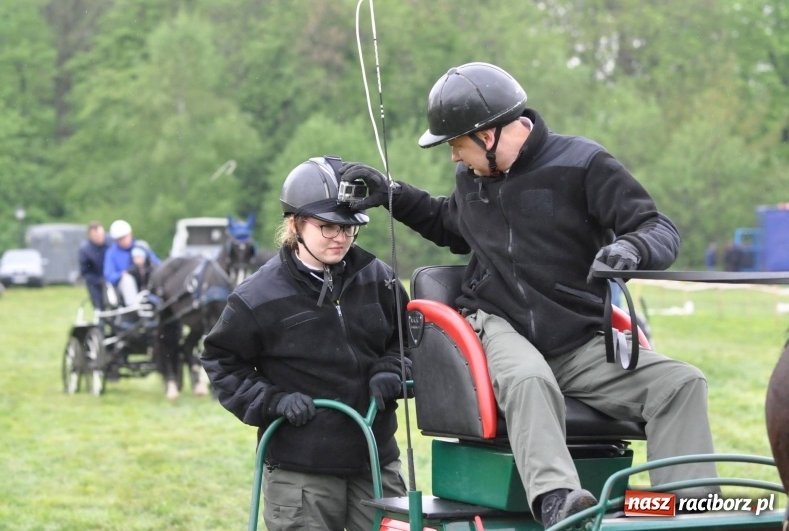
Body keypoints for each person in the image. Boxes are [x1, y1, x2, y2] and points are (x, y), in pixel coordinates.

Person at [340, 62, 719, 528]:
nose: (454, 158)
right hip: (499, 324)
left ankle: (689, 510)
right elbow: (449, 225)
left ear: (488, 135)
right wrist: (393, 194)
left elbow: (656, 226)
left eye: (457, 144)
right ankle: (559, 501)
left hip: (578, 339)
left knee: (681, 383)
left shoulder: (583, 164)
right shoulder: (472, 181)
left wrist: (632, 248)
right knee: (528, 380)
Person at [201, 156, 411, 531]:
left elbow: (410, 342)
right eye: (327, 226)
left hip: (376, 460)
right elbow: (222, 362)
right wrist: (273, 401)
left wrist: (393, 370)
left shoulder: (380, 278)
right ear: (295, 224)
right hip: (300, 471)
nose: (340, 237)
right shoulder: (257, 296)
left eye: (349, 227)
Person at [103, 219, 161, 307]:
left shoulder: (141, 246)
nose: (123, 241)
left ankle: (161, 301)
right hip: (125, 286)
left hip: (145, 280)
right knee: (127, 279)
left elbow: (157, 263)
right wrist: (122, 274)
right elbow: (110, 276)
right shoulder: (111, 253)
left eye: (125, 237)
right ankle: (134, 308)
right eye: (120, 239)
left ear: (130, 234)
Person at [79, 221, 111, 310]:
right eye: (97, 236)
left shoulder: (111, 242)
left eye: (101, 234)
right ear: (90, 236)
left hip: (111, 278)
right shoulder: (85, 250)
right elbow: (85, 271)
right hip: (95, 280)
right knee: (98, 304)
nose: (100, 238)